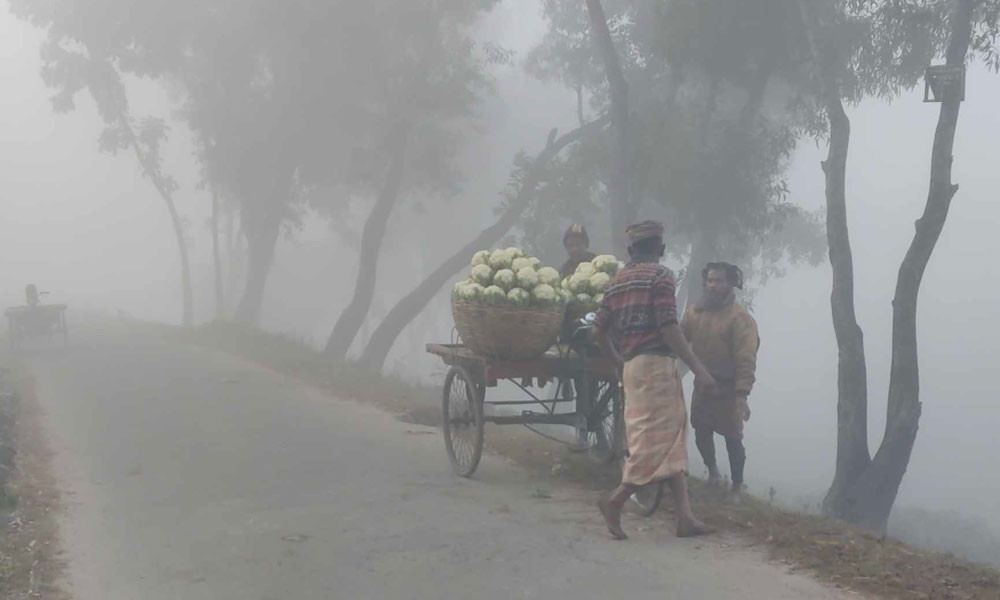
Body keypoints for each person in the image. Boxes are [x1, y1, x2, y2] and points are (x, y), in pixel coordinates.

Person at [591, 220, 717, 539]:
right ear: (660, 249)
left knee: (671, 438)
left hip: (632, 366)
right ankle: (616, 500)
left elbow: (598, 331)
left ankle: (685, 517)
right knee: (654, 442)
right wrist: (698, 367)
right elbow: (668, 327)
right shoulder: (661, 276)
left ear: (631, 250)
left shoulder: (616, 281)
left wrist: (617, 361)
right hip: (657, 367)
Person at [682, 262, 760, 502]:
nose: (714, 286)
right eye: (710, 280)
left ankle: (737, 486)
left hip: (730, 387)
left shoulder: (740, 319)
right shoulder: (694, 313)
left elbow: (746, 358)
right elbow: (679, 340)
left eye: (720, 281)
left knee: (733, 437)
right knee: (701, 430)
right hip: (703, 385)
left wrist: (742, 395)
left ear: (731, 283)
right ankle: (713, 474)